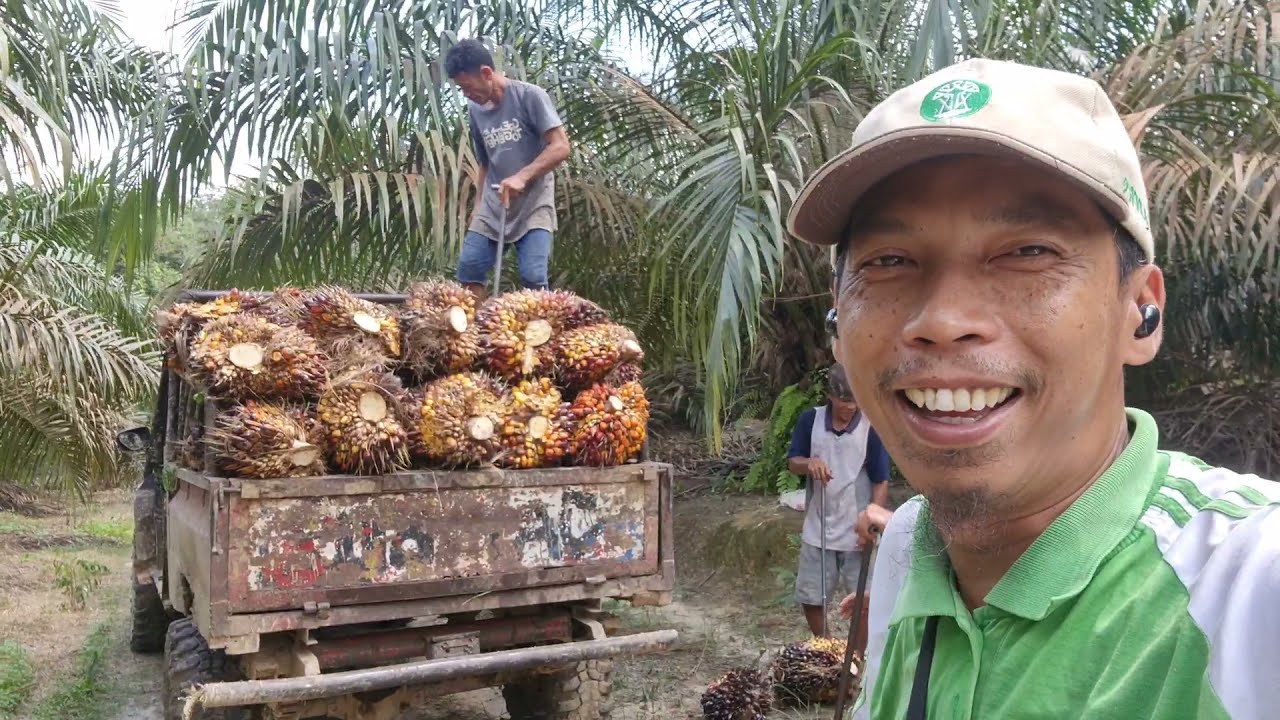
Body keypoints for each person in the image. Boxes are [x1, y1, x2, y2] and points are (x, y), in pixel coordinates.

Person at [784, 58, 1280, 719]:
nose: (942, 320)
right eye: (889, 262)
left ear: (1140, 311)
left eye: (1028, 253)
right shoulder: (908, 544)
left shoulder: (1246, 587)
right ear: (839, 331)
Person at [445, 39, 571, 301]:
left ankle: (538, 336)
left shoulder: (530, 96)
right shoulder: (475, 110)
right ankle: (472, 336)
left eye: (467, 87)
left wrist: (522, 176)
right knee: (470, 268)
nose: (466, 94)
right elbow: (485, 162)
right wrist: (478, 207)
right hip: (493, 203)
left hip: (534, 203)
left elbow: (560, 146)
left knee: (533, 276)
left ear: (487, 73)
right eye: (461, 89)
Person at [786, 362, 891, 638]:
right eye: (845, 400)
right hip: (818, 524)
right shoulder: (811, 421)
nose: (851, 407)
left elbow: (881, 479)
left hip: (856, 527)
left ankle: (858, 657)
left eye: (855, 400)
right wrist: (809, 463)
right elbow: (793, 462)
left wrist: (872, 520)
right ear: (830, 396)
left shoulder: (870, 429)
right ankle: (827, 646)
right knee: (811, 597)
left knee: (863, 600)